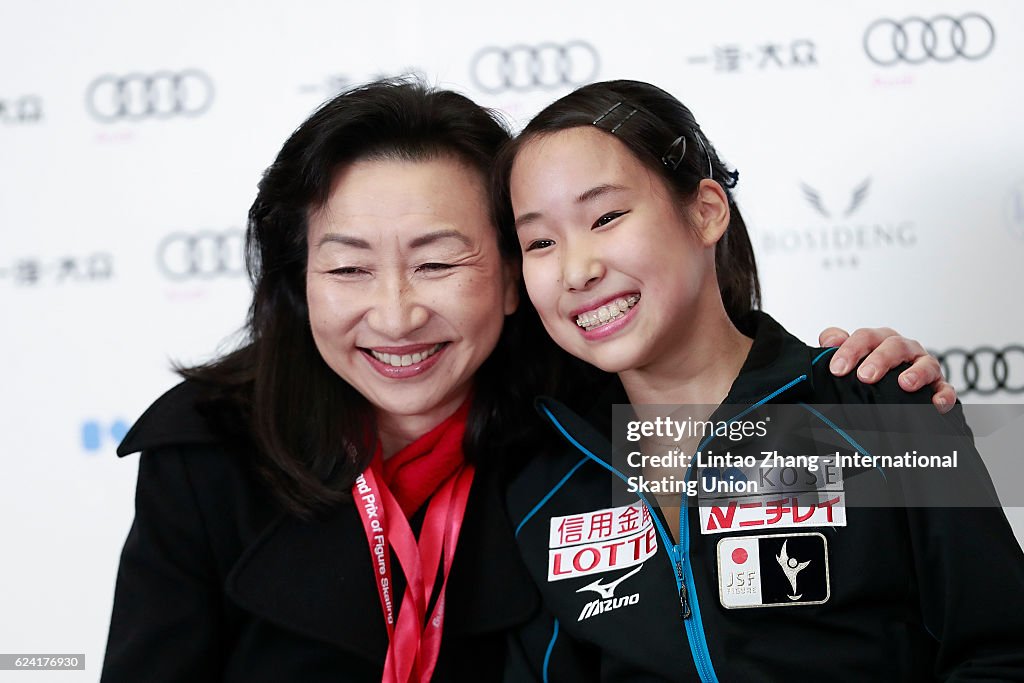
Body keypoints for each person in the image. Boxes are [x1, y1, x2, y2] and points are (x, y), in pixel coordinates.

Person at [101, 78, 956, 683]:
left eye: (438, 262)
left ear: (510, 277)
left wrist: (869, 392)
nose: (396, 317)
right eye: (350, 269)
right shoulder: (208, 451)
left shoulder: (573, 434)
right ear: (300, 280)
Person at [496, 79, 1024, 681]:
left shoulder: (874, 407)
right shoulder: (542, 484)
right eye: (540, 240)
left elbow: (1003, 651)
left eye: (607, 216)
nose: (577, 269)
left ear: (706, 212)